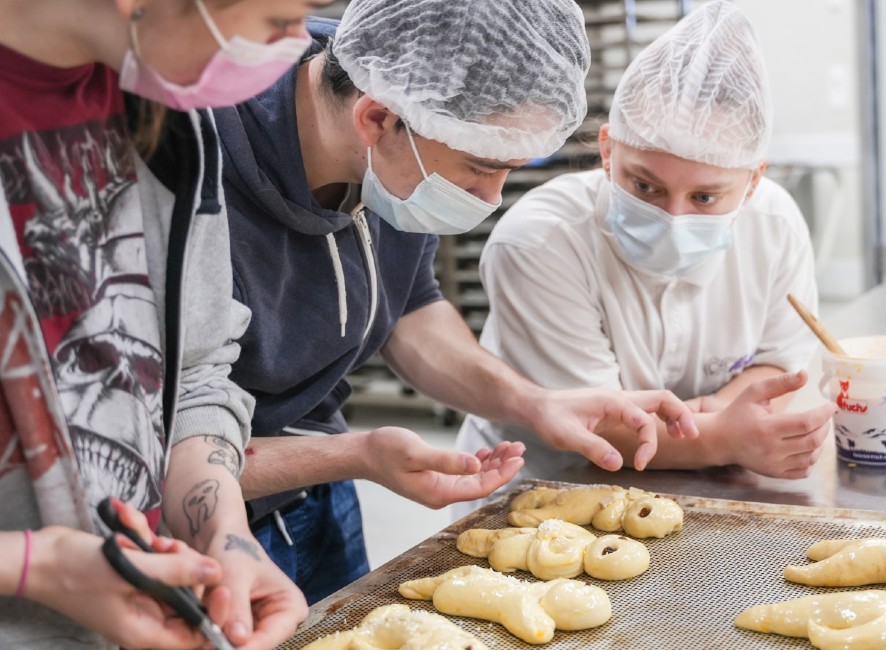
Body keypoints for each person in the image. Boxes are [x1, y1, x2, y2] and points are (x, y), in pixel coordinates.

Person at [0, 0, 315, 650]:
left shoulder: (170, 121)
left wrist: (223, 532)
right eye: (282, 17)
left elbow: (192, 373)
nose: (298, 43)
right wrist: (33, 567)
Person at [214, 0, 700, 605]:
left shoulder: (411, 115)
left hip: (320, 491)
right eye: (478, 168)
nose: (489, 199)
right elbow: (164, 442)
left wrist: (534, 402)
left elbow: (411, 310)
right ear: (376, 119)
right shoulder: (203, 182)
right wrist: (356, 453)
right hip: (194, 518)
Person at [457, 1, 837, 479]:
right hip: (547, 492)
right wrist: (724, 434)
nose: (672, 218)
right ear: (607, 150)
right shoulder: (540, 243)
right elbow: (595, 427)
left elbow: (778, 370)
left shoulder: (775, 225)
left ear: (753, 181)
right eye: (645, 186)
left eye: (704, 197)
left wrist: (712, 416)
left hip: (709, 488)